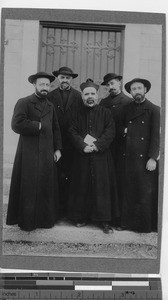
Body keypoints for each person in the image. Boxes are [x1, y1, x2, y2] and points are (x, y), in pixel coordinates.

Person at [6, 72, 62, 231]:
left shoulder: (50, 105)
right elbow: (16, 124)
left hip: (46, 152)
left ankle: (44, 221)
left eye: (47, 85)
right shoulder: (24, 102)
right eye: (42, 84)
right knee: (29, 187)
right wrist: (37, 126)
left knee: (44, 186)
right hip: (29, 153)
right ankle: (28, 222)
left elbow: (56, 128)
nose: (45, 88)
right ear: (35, 85)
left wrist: (58, 148)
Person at [68, 79, 118, 234]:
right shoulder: (76, 112)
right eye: (87, 93)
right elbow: (71, 131)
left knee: (101, 188)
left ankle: (103, 221)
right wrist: (83, 146)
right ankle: (80, 217)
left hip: (101, 156)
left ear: (97, 95)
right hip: (82, 156)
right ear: (82, 96)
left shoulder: (106, 113)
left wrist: (97, 145)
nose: (90, 96)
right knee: (81, 186)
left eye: (93, 93)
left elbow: (110, 131)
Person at [118, 78, 160, 233]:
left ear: (145, 90)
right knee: (128, 191)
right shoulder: (126, 109)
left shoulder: (154, 109)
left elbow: (156, 136)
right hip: (128, 157)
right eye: (133, 89)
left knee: (143, 192)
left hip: (144, 159)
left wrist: (152, 157)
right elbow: (119, 126)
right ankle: (126, 223)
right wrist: (124, 130)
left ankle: (143, 226)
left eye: (139, 88)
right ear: (130, 92)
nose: (136, 91)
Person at [48, 66, 83, 219]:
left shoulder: (78, 96)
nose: (65, 80)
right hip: (55, 142)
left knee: (72, 175)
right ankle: (56, 210)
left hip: (73, 143)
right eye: (62, 77)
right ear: (58, 78)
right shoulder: (50, 96)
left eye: (68, 78)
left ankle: (70, 211)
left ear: (71, 79)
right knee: (56, 176)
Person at [100, 73, 132, 229]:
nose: (110, 87)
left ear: (119, 83)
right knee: (106, 182)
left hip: (121, 148)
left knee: (120, 182)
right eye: (107, 85)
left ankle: (119, 219)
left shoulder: (128, 102)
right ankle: (105, 217)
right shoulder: (103, 102)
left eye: (112, 83)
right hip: (106, 148)